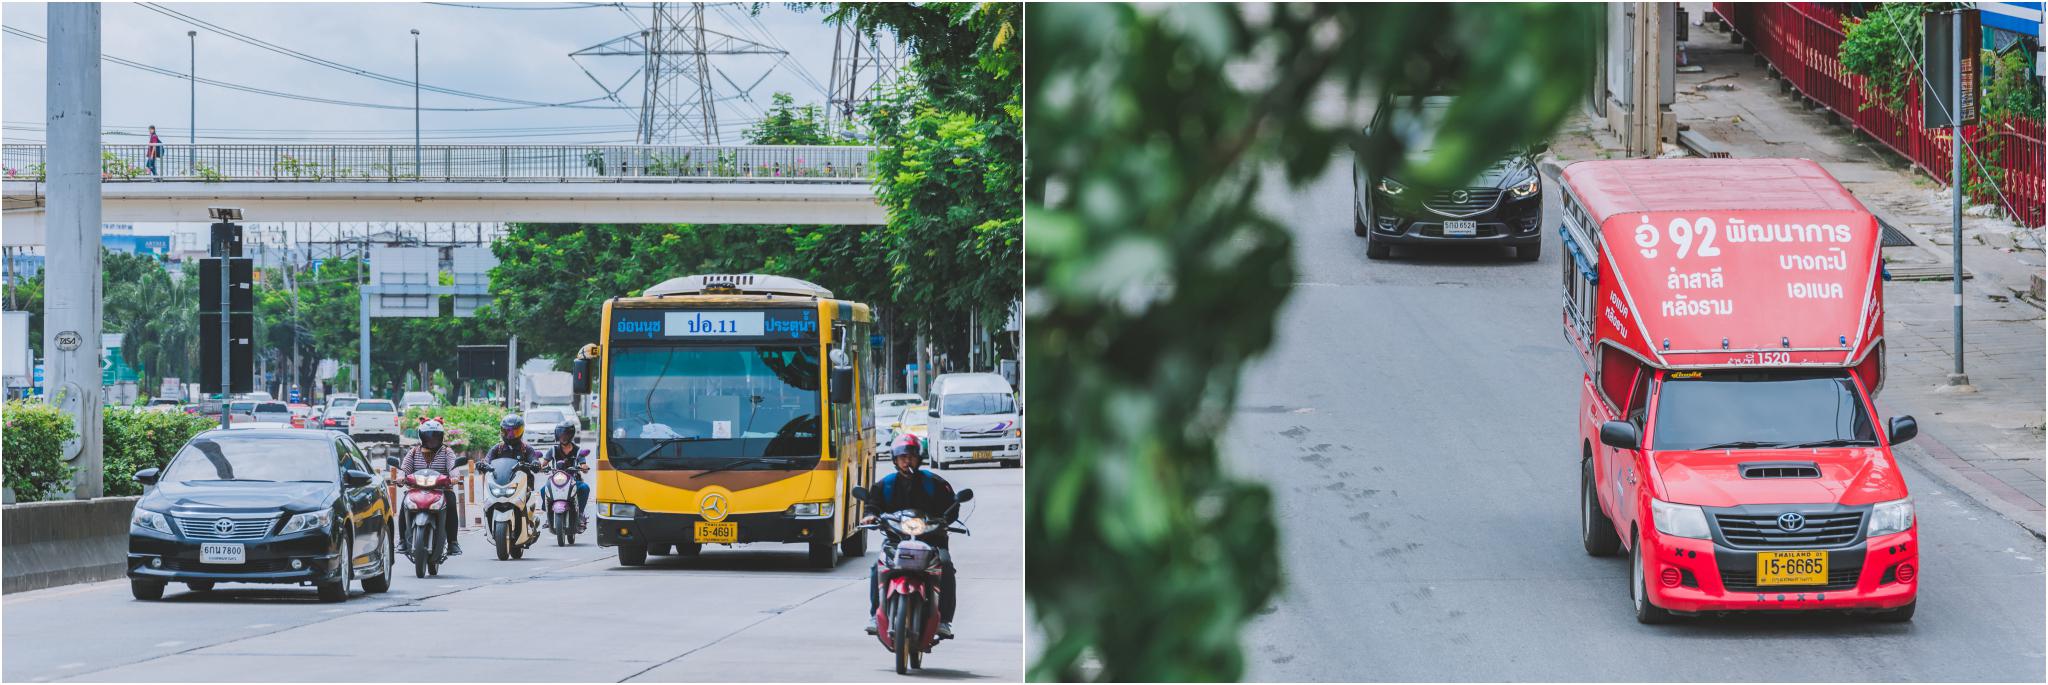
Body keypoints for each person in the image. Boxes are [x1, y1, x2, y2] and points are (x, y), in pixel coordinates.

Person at [863, 434, 960, 639]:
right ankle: (874, 615)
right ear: (895, 459)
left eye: (912, 457)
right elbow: (872, 505)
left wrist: (945, 519)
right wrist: (870, 516)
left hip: (931, 540)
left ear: (919, 458)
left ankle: (944, 620)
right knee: (876, 567)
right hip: (896, 540)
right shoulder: (885, 485)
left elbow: (952, 505)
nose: (907, 461)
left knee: (945, 565)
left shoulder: (934, 482)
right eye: (903, 457)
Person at [398, 418, 462, 555]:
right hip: (416, 489)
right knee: (404, 505)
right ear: (422, 437)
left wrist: (455, 477)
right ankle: (402, 540)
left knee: (451, 503)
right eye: (428, 436)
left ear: (441, 437)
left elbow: (453, 467)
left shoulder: (447, 452)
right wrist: (400, 477)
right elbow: (404, 468)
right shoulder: (413, 452)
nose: (432, 439)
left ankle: (453, 542)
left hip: (442, 490)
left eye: (435, 436)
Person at [536, 422, 592, 529]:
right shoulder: (553, 450)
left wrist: (584, 467)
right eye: (561, 434)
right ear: (557, 435)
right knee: (543, 490)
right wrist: (540, 467)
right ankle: (549, 514)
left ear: (571, 435)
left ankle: (580, 513)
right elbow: (544, 464)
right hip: (555, 481)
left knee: (585, 488)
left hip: (573, 480)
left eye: (566, 434)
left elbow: (583, 464)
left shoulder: (578, 450)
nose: (563, 437)